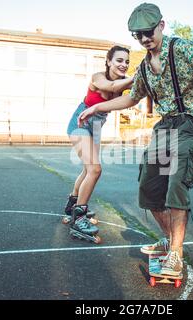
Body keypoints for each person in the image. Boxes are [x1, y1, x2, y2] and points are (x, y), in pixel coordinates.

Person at [78, 3, 193, 276]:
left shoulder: (182, 49)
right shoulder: (145, 68)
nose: (145, 38)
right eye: (138, 35)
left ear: (161, 25)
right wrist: (96, 107)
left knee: (176, 182)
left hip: (190, 124)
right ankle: (169, 240)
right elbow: (132, 97)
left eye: (149, 31)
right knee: (149, 189)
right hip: (165, 127)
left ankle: (176, 255)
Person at [65, 45, 133, 241]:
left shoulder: (124, 82)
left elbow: (131, 96)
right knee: (95, 170)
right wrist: (138, 76)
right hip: (80, 122)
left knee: (88, 170)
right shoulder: (98, 77)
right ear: (109, 61)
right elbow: (111, 88)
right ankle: (79, 219)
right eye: (119, 60)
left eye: (127, 62)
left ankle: (72, 206)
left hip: (96, 127)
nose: (124, 65)